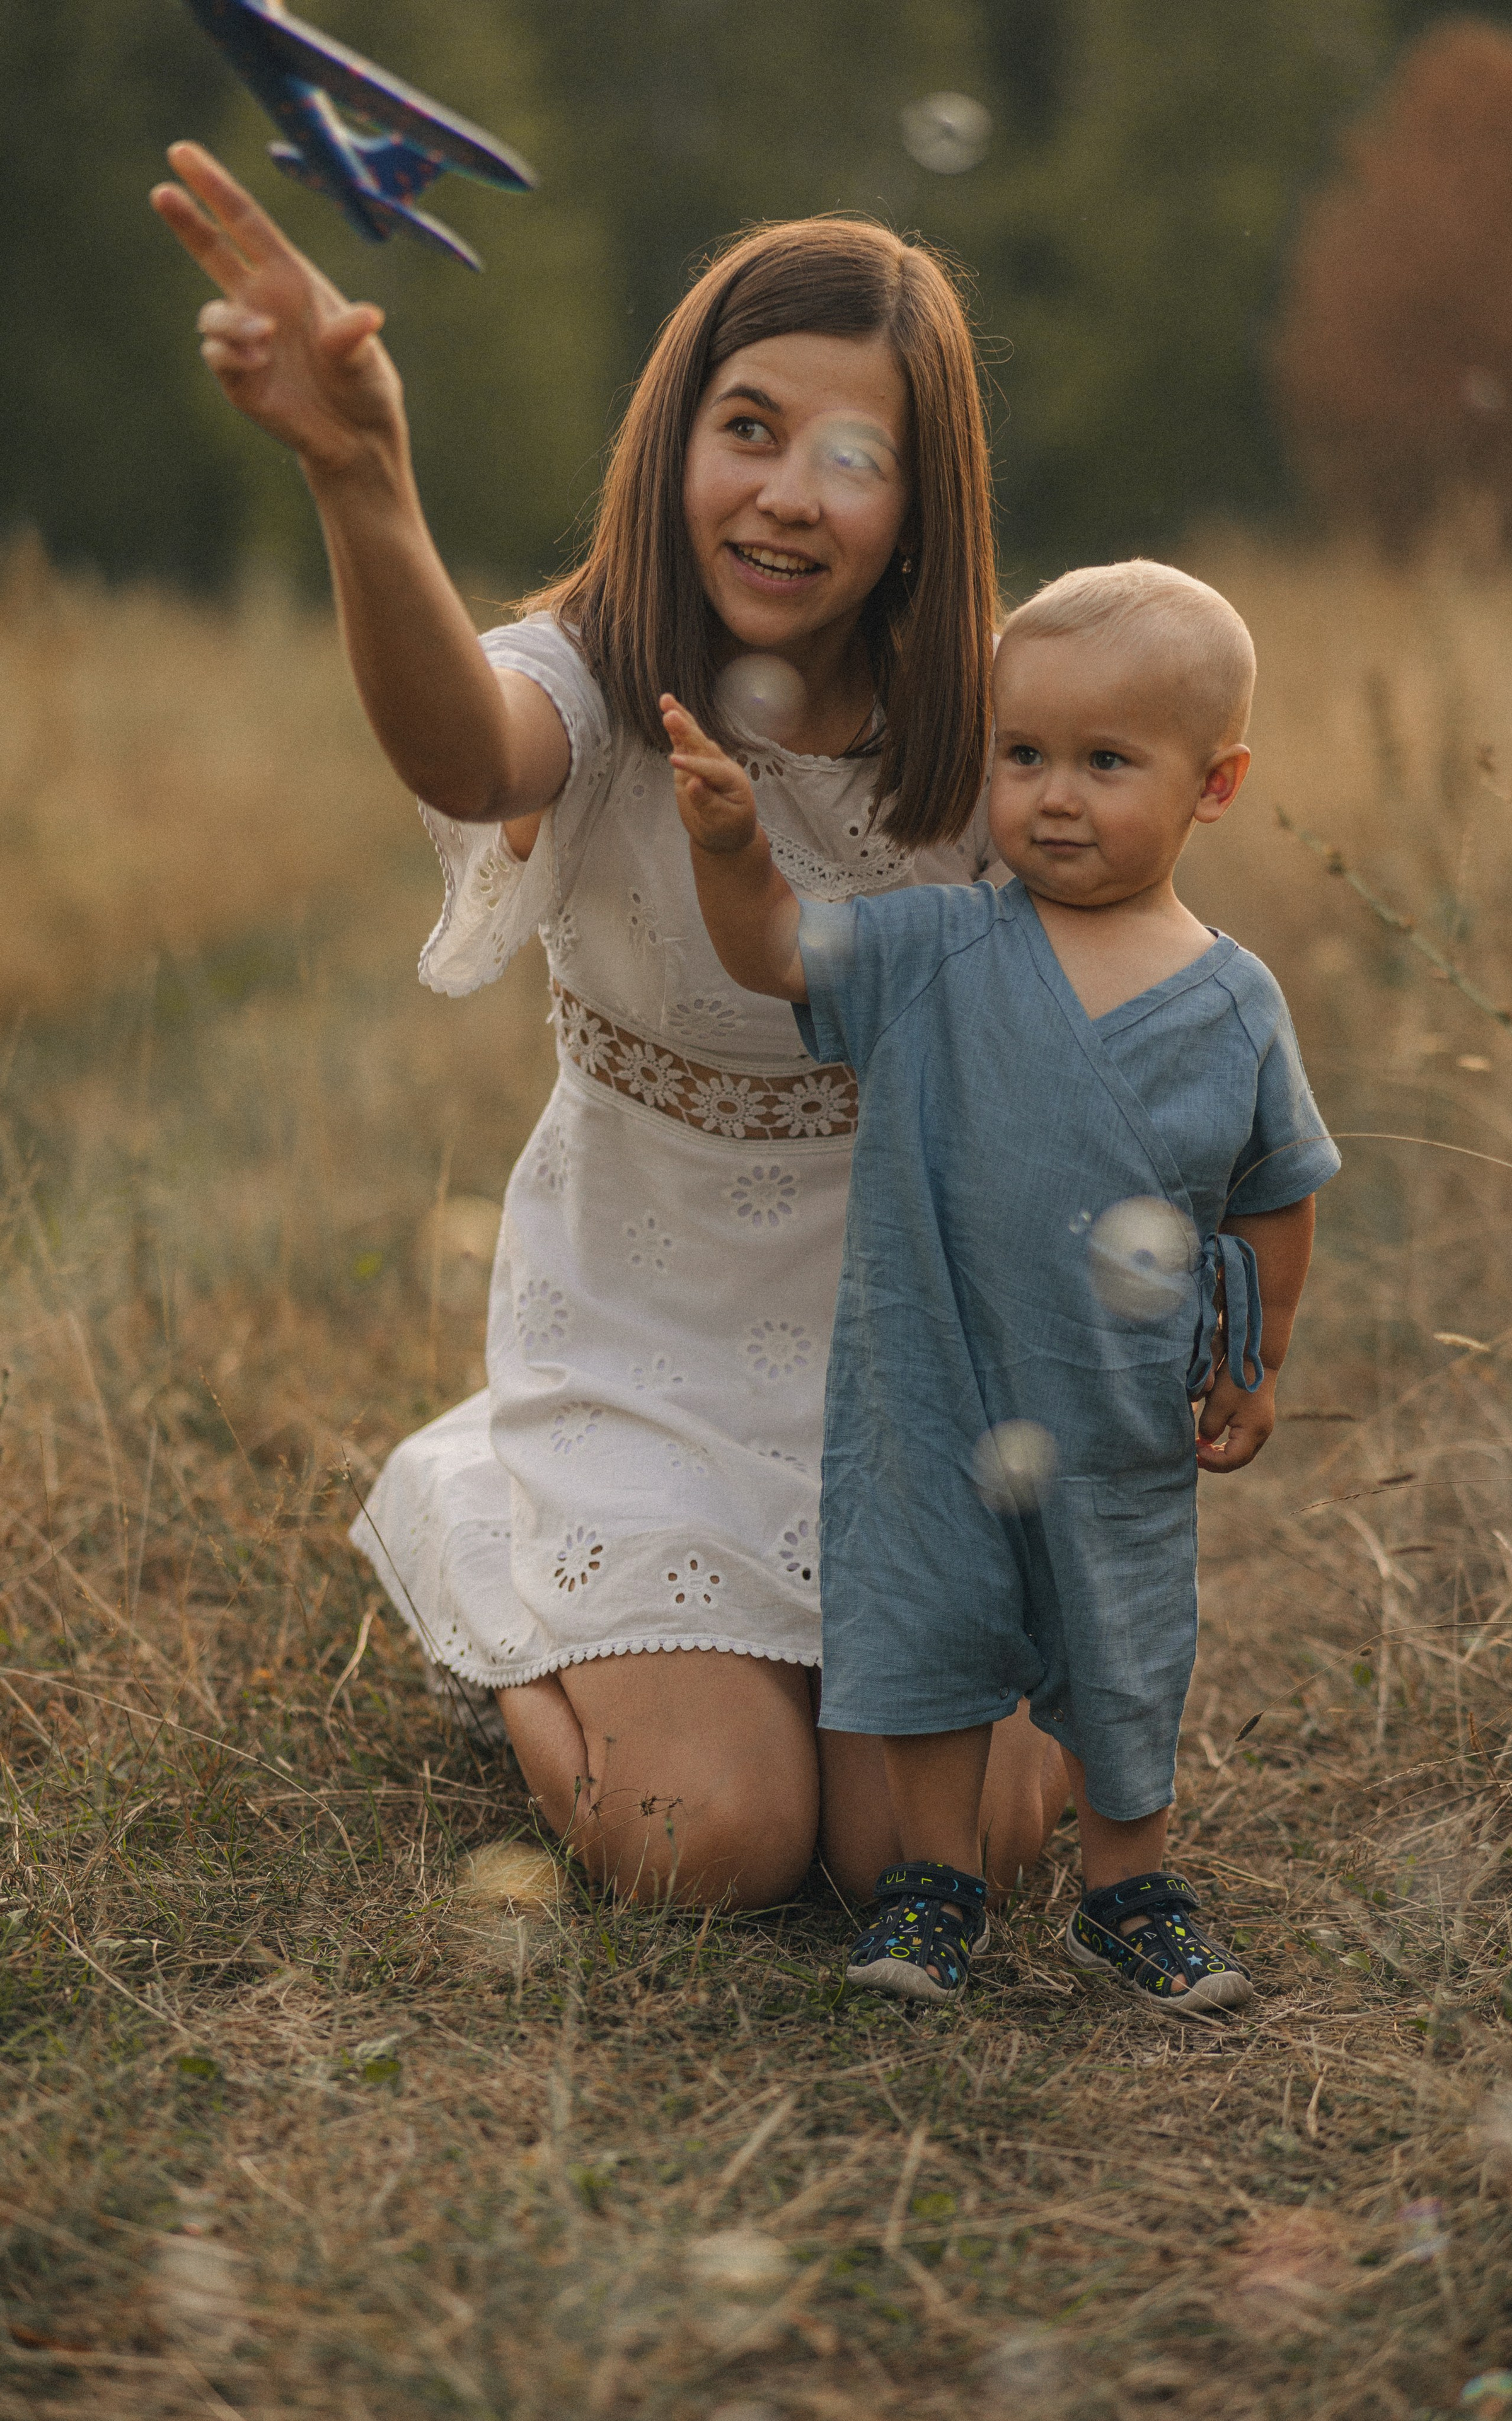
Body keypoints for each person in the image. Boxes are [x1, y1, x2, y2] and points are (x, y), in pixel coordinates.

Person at [151, 145, 1071, 1911]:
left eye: (853, 458)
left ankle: (792, 1674)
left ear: (924, 505)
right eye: (748, 427)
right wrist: (361, 479)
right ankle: (501, 1550)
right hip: (641, 1349)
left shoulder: (983, 730)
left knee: (955, 1850)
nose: (788, 495)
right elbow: (462, 750)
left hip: (902, 1361)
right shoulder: (595, 669)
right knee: (714, 1844)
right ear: (674, 442)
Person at [664, 558, 1341, 2011]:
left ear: (1211, 787)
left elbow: (1278, 1185)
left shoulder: (1232, 1000)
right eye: (1021, 755)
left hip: (1116, 1410)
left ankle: (1128, 1888)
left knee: (1125, 1642)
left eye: (1105, 763)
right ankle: (929, 1888)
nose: (1051, 796)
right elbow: (776, 950)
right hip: (929, 1379)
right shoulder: (931, 949)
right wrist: (733, 851)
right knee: (924, 1615)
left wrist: (1260, 1352)